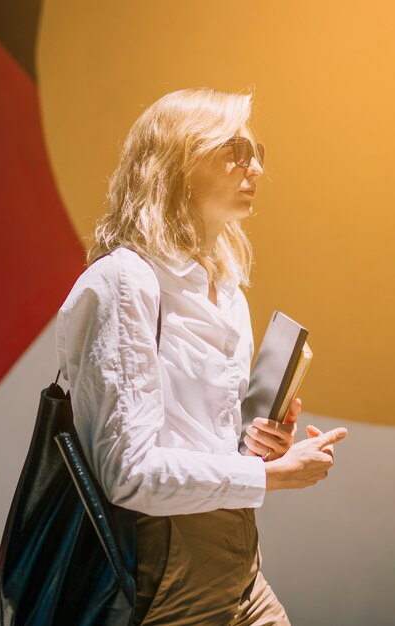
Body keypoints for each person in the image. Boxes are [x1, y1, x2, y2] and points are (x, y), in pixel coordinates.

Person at [56, 88, 348, 626]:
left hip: (236, 554)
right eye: (233, 150)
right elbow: (130, 474)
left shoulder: (226, 288)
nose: (255, 164)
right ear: (176, 163)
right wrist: (274, 477)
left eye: (255, 148)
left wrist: (260, 446)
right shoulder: (125, 282)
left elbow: (213, 441)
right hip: (166, 564)